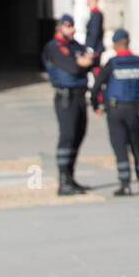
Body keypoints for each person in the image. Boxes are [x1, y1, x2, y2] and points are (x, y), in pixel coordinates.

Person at [91, 28, 139, 195]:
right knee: (138, 146)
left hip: (116, 110)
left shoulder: (112, 64)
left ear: (115, 45)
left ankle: (125, 184)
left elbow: (96, 88)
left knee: (120, 146)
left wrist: (96, 106)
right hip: (135, 109)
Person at [40, 12, 94, 195]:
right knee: (68, 137)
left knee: (78, 136)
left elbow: (90, 60)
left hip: (79, 96)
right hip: (66, 98)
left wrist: (84, 61)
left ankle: (70, 177)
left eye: (72, 26)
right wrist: (82, 62)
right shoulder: (55, 47)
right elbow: (73, 67)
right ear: (59, 28)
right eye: (68, 26)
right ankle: (63, 181)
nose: (72, 29)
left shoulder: (74, 45)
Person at [85, 0, 104, 74]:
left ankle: (99, 85)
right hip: (95, 47)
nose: (87, 1)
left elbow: (94, 33)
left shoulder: (96, 14)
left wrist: (90, 48)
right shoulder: (94, 13)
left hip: (95, 48)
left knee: (95, 68)